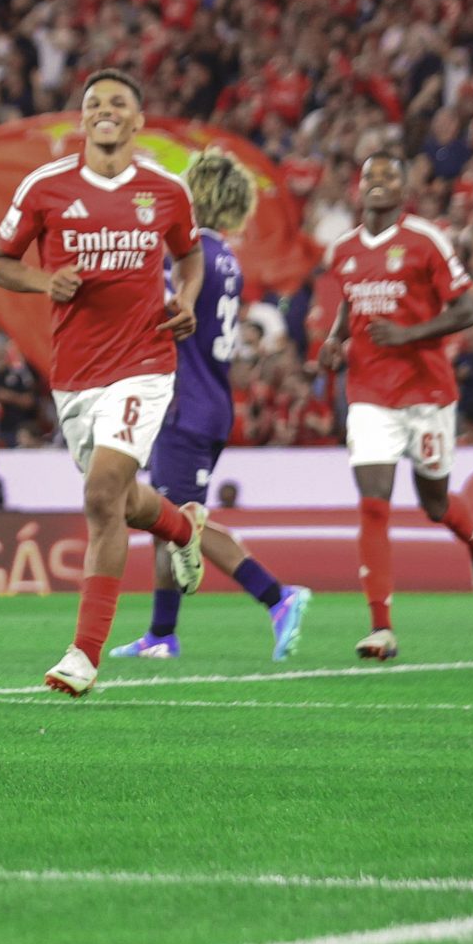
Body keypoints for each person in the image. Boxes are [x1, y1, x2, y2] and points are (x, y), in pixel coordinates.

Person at [0, 69, 209, 697]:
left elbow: (189, 255)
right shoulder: (45, 187)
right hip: (76, 372)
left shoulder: (166, 191)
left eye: (118, 104)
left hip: (145, 361)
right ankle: (181, 528)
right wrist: (44, 282)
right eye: (93, 104)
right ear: (82, 119)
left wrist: (187, 297)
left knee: (101, 491)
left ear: (139, 122)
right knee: (118, 498)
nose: (104, 111)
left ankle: (84, 656)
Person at [110, 149, 311, 661]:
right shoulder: (226, 257)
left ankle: (276, 595)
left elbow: (147, 311)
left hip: (185, 403)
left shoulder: (187, 253)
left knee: (180, 520)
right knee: (165, 519)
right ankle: (161, 635)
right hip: (209, 398)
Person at [316, 151, 473, 660]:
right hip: (370, 394)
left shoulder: (426, 240)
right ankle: (381, 627)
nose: (377, 183)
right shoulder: (344, 250)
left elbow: (465, 310)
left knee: (434, 503)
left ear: (403, 189)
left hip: (426, 392)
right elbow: (349, 305)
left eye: (388, 176)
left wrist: (408, 334)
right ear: (357, 189)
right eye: (369, 176)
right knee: (374, 502)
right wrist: (335, 343)